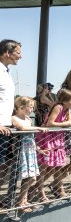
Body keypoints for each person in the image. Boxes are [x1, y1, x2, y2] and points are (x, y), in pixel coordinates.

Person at [35, 89, 71, 200]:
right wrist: (67, 123)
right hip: (48, 139)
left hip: (58, 139)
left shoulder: (66, 109)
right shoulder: (58, 107)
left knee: (55, 167)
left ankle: (37, 189)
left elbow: (70, 121)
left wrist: (70, 123)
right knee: (44, 167)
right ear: (64, 100)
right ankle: (40, 193)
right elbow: (50, 123)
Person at [11, 97, 47, 211]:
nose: (32, 109)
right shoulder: (14, 118)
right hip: (21, 150)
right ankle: (20, 201)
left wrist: (39, 149)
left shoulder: (28, 119)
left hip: (30, 150)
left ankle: (24, 200)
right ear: (21, 107)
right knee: (28, 177)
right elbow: (22, 128)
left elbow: (31, 137)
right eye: (30, 106)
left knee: (31, 177)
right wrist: (38, 128)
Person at [0, 39, 22, 191]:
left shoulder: (6, 71)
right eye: (18, 53)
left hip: (6, 126)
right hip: (0, 126)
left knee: (6, 161)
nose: (21, 56)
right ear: (7, 53)